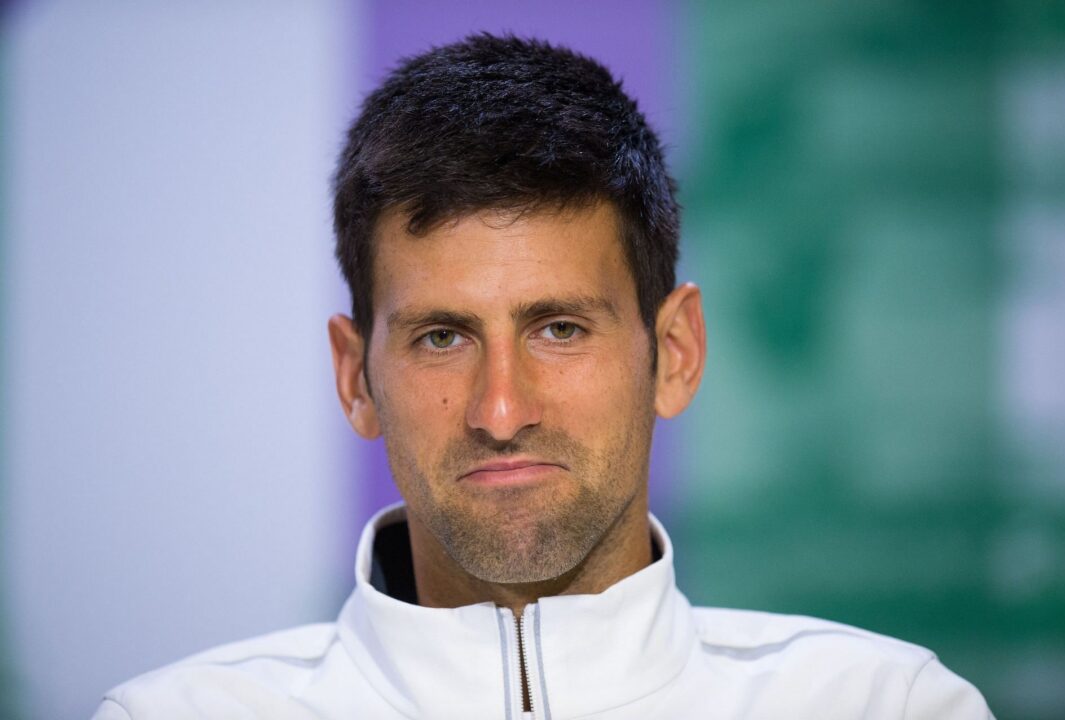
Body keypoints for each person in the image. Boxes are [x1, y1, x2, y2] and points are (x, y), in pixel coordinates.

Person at [94, 34, 993, 719]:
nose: (500, 409)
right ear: (355, 378)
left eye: (559, 329)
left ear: (674, 353)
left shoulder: (883, 704)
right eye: (441, 338)